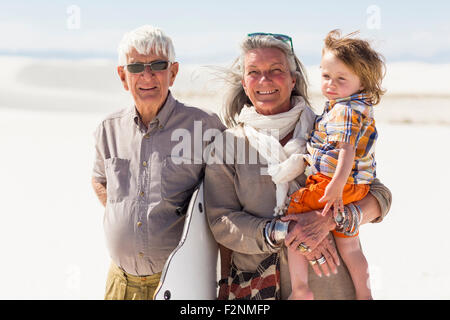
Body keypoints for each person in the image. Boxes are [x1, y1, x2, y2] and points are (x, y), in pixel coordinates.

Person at [204, 33, 392, 300]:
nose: (264, 80)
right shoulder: (227, 145)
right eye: (253, 72)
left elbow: (379, 195)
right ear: (244, 84)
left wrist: (330, 220)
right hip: (256, 288)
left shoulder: (327, 129)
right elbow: (221, 222)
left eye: (275, 70)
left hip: (329, 286)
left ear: (293, 79)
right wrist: (284, 232)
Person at [91, 25, 224, 300]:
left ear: (173, 72)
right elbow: (99, 179)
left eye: (157, 65)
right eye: (136, 66)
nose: (147, 75)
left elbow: (225, 202)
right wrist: (128, 216)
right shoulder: (108, 128)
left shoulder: (204, 126)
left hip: (179, 283)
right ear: (123, 76)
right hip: (119, 283)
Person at [286, 30, 386, 300]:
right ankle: (365, 294)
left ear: (362, 82)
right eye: (326, 75)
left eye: (341, 78)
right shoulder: (358, 107)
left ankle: (300, 289)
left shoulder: (344, 110)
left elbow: (347, 150)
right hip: (358, 188)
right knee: (351, 247)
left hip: (333, 184)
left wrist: (335, 186)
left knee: (294, 219)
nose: (330, 84)